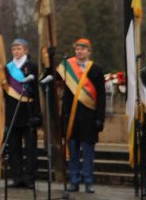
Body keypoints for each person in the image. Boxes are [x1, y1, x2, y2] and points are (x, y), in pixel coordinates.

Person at [57, 38, 105, 194]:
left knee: (88, 152)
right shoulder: (67, 67)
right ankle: (74, 180)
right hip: (70, 117)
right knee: (73, 151)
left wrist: (100, 118)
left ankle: (89, 181)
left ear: (89, 51)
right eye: (77, 49)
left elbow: (101, 96)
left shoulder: (96, 69)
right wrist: (48, 60)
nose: (79, 51)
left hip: (89, 118)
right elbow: (53, 79)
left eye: (83, 49)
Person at [3, 38, 41, 188]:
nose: (16, 51)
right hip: (12, 111)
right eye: (14, 49)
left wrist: (38, 114)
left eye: (19, 49)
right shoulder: (7, 68)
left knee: (30, 148)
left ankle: (30, 179)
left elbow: (36, 92)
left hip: (28, 111)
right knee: (13, 147)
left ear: (26, 50)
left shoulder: (31, 66)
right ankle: (17, 178)